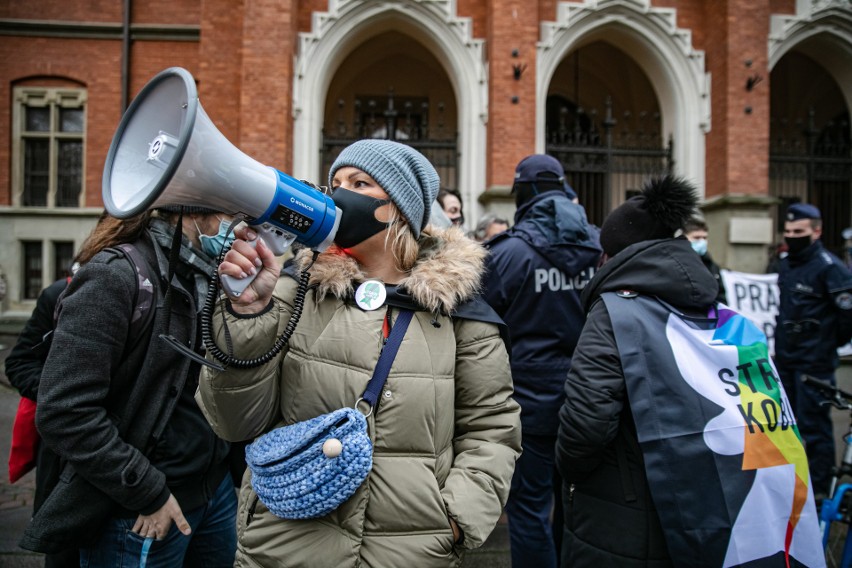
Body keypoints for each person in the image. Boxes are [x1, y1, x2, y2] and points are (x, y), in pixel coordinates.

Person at [198, 139, 522, 567]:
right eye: (335, 182)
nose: (338, 193)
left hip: (411, 551)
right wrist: (246, 317)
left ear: (398, 207)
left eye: (359, 182)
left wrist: (455, 518)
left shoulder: (460, 313)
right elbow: (233, 422)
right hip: (286, 549)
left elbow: (492, 429)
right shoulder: (294, 291)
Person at [556, 175, 822, 567]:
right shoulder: (728, 317)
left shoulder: (613, 313)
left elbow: (584, 428)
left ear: (611, 256)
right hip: (713, 501)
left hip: (626, 512)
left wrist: (569, 470)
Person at [25, 207, 240, 566]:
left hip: (212, 492)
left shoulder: (210, 276)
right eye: (231, 216)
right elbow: (65, 412)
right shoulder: (115, 276)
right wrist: (148, 491)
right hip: (142, 507)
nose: (238, 229)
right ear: (195, 213)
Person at [481, 154, 602, 568]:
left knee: (529, 507)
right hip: (591, 398)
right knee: (576, 506)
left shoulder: (507, 253)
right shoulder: (602, 250)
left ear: (524, 192)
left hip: (528, 404)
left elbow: (480, 325)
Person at [774, 202, 852, 500]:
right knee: (785, 426)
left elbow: (847, 317)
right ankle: (789, 484)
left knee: (814, 429)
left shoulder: (829, 267)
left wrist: (825, 343)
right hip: (786, 360)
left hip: (814, 365)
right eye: (788, 230)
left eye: (799, 231)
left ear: (816, 232)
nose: (792, 235)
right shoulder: (786, 263)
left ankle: (820, 492)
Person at [682, 217, 727, 303]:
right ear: (684, 238)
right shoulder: (674, 263)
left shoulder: (712, 266)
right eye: (697, 237)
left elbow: (721, 296)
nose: (702, 242)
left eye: (705, 238)